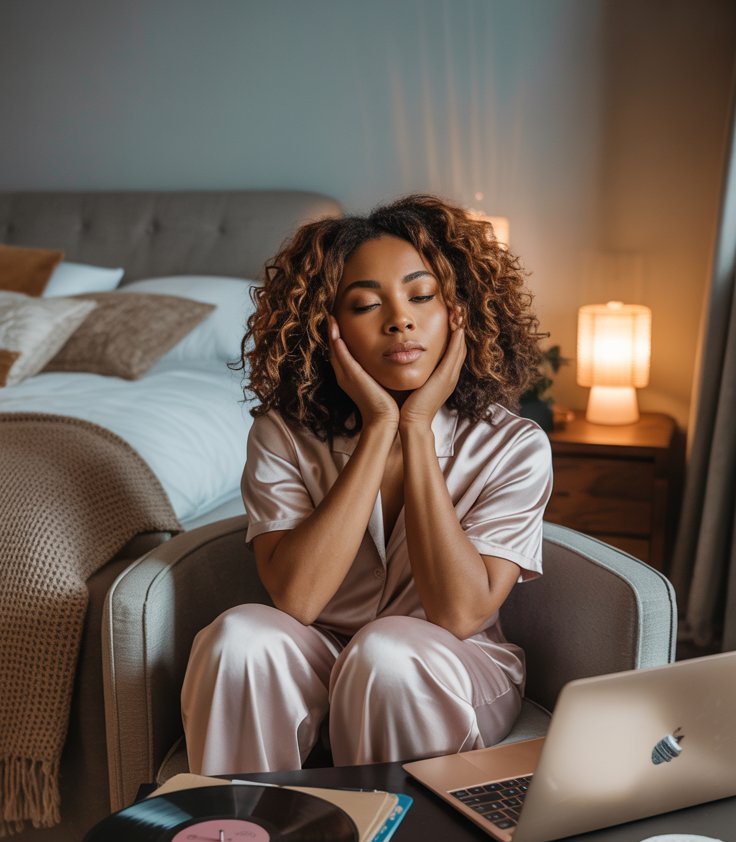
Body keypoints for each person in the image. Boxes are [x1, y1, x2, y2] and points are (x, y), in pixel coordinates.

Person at [181, 194, 553, 774]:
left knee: (386, 654)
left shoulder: (514, 446)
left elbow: (459, 614)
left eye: (421, 295)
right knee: (239, 639)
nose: (399, 319)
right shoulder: (284, 435)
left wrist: (418, 428)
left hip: (450, 663)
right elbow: (298, 600)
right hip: (324, 655)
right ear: (328, 329)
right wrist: (382, 426)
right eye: (364, 305)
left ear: (458, 310)